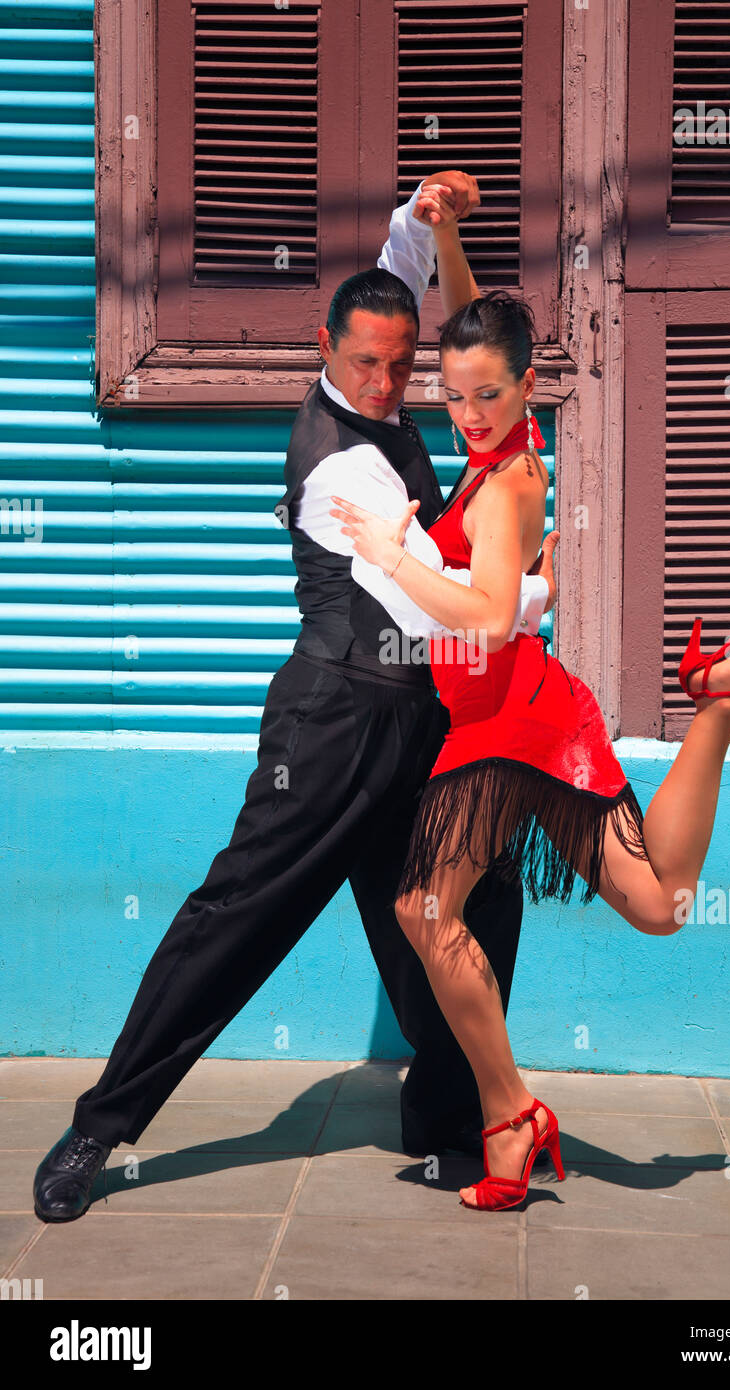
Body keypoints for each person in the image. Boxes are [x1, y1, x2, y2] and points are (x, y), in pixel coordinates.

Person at [32, 172, 559, 1223]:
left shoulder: (390, 363)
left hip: (420, 726)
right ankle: (100, 1123)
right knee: (236, 917)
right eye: (362, 362)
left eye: (400, 365)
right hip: (332, 723)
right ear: (323, 354)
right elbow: (446, 611)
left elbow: (398, 277)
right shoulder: (337, 475)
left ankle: (451, 1115)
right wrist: (539, 583)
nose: (382, 381)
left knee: (470, 904)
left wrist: (423, 216)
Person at [329, 288, 730, 1211]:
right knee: (661, 903)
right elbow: (483, 317)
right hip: (537, 716)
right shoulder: (504, 453)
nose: (467, 415)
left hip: (502, 722)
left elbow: (488, 617)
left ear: (528, 388)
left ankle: (508, 1115)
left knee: (426, 908)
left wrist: (394, 558)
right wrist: (444, 232)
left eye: (487, 398)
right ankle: (718, 702)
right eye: (453, 395)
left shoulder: (507, 485)